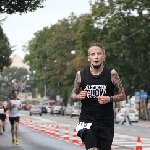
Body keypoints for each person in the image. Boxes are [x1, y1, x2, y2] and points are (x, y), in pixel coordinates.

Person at [71, 42, 126, 150]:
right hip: (86, 120)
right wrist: (79, 96)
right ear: (89, 58)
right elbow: (72, 95)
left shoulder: (112, 74)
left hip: (106, 122)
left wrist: (109, 98)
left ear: (103, 57)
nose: (96, 57)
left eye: (99, 53)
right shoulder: (81, 75)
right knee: (91, 148)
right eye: (93, 54)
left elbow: (123, 95)